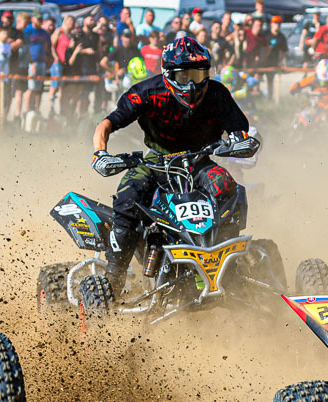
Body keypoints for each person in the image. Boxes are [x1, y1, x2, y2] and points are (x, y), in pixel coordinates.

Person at [89, 36, 255, 291]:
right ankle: (114, 275)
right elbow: (107, 124)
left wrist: (240, 142)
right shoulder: (147, 92)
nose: (191, 84)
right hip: (154, 162)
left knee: (228, 188)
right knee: (127, 198)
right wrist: (100, 153)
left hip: (199, 161)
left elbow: (238, 130)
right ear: (168, 74)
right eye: (184, 76)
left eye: (198, 75)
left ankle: (230, 263)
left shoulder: (217, 93)